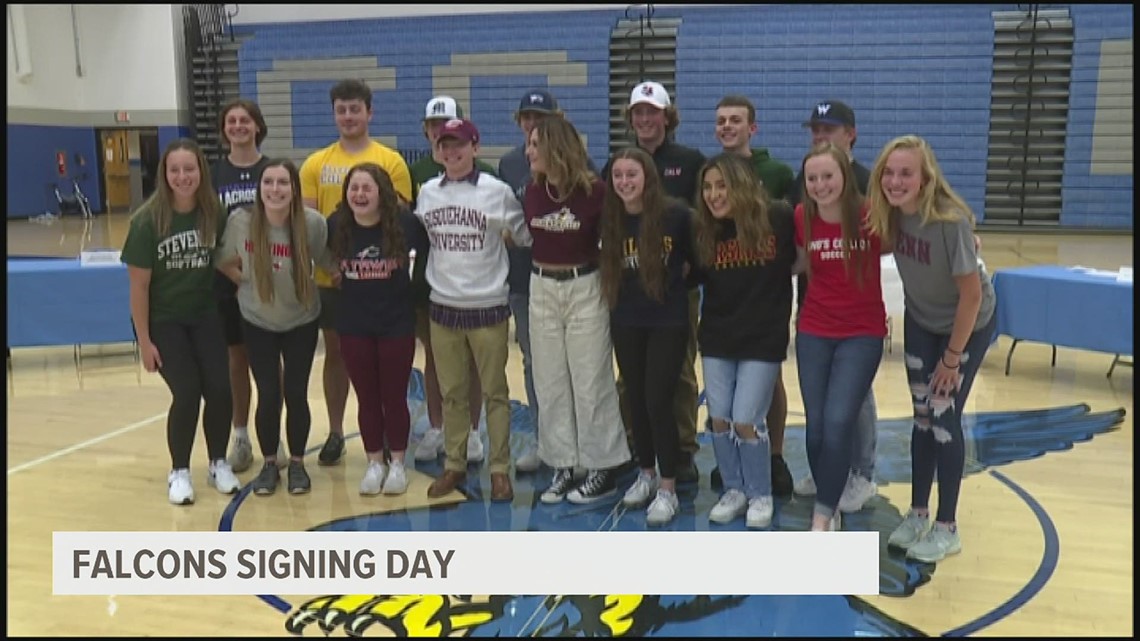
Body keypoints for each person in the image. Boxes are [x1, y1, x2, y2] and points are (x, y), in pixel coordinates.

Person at [868, 135, 998, 562]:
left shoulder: (949, 221)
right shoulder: (891, 216)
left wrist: (952, 359)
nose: (895, 180)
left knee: (944, 418)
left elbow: (972, 297)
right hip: (922, 320)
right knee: (922, 418)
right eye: (889, 172)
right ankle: (918, 512)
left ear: (926, 179)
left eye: (906, 172)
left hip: (965, 326)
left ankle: (948, 527)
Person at [413, 118, 532, 502]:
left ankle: (500, 469)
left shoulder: (497, 192)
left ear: (475, 148)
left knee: (495, 392)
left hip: (487, 304)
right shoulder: (428, 192)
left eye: (458, 145)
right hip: (443, 305)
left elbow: (524, 236)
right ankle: (455, 465)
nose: (451, 152)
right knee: (452, 394)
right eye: (444, 145)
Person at [299, 78, 413, 466]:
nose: (348, 116)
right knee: (338, 356)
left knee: (387, 367)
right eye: (341, 110)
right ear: (333, 114)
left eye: (354, 109)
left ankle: (394, 447)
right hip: (334, 281)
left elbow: (400, 223)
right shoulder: (316, 163)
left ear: (369, 112)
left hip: (380, 280)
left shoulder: (391, 161)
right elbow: (312, 225)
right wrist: (331, 269)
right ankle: (335, 431)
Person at [121, 138, 239, 505]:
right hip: (164, 321)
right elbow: (139, 288)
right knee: (187, 392)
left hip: (204, 315)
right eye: (175, 170)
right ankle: (180, 471)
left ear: (200, 172)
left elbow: (223, 257)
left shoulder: (212, 211)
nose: (183, 176)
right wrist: (144, 342)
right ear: (165, 174)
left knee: (220, 389)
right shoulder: (147, 221)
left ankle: (219, 461)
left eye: (190, 169)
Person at [524, 117, 630, 504]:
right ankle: (563, 464)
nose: (529, 151)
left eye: (536, 144)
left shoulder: (595, 192)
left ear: (557, 147)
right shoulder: (532, 192)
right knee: (549, 381)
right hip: (542, 287)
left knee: (590, 380)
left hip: (585, 285)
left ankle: (602, 467)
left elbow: (613, 242)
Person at [606, 81, 705, 483]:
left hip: (675, 292)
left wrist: (686, 267)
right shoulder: (617, 164)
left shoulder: (690, 160)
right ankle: (637, 442)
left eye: (652, 112)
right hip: (630, 293)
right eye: (638, 113)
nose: (645, 119)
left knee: (678, 371)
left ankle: (681, 447)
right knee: (631, 378)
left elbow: (701, 222)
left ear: (667, 116)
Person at [691, 153, 795, 528]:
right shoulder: (706, 231)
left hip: (762, 340)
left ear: (742, 185)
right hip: (718, 337)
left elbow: (812, 248)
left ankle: (760, 493)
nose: (714, 195)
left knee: (746, 420)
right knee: (719, 419)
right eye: (707, 187)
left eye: (722, 186)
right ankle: (734, 489)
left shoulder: (779, 218)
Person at [787, 100, 879, 512]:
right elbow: (800, 259)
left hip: (860, 329)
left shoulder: (870, 208)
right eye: (814, 178)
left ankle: (858, 476)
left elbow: (910, 231)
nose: (821, 183)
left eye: (828, 176)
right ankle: (829, 473)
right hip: (815, 326)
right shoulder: (802, 214)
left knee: (845, 413)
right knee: (820, 422)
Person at [215, 159, 326, 495]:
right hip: (257, 319)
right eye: (268, 183)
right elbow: (221, 259)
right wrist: (243, 281)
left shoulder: (312, 224)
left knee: (295, 391)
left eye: (282, 183)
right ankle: (267, 464)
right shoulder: (240, 221)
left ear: (294, 189)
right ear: (259, 189)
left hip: (301, 320)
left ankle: (296, 464)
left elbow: (325, 263)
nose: (275, 189)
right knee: (268, 393)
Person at [498, 89, 591, 472]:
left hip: (575, 279)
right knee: (537, 365)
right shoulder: (507, 164)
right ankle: (545, 439)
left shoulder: (580, 161)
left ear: (560, 117)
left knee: (577, 365)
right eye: (527, 118)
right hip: (526, 279)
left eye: (541, 116)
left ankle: (582, 444)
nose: (532, 124)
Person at [601, 147, 694, 526]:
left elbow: (694, 263)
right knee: (635, 398)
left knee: (659, 400)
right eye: (618, 175)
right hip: (626, 319)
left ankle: (668, 488)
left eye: (631, 174)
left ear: (648, 177)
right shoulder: (611, 219)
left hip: (667, 320)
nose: (624, 181)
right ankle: (646, 473)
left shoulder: (675, 216)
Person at [711, 94, 797, 496]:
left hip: (764, 305)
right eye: (721, 121)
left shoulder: (777, 173)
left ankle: (773, 456)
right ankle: (733, 470)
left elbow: (798, 231)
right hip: (726, 303)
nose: (727, 126)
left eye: (735, 120)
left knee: (767, 383)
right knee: (724, 402)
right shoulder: (710, 170)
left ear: (752, 127)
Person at [328, 163, 431, 496]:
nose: (359, 194)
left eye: (366, 188)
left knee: (394, 396)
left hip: (396, 324)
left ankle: (398, 462)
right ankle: (375, 462)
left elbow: (427, 259)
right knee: (367, 397)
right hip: (354, 325)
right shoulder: (335, 226)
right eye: (353, 188)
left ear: (382, 192)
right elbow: (317, 253)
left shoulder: (406, 225)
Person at [409, 95, 495, 465]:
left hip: (476, 281)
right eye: (433, 125)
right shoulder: (414, 174)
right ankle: (437, 425)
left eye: (446, 125)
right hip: (431, 279)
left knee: (473, 361)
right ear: (427, 131)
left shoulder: (488, 173)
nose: (439, 131)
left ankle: (473, 431)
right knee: (434, 358)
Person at [211, 98, 286, 473]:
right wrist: (225, 267)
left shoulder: (271, 171)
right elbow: (206, 229)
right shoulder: (212, 174)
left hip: (269, 281)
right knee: (236, 358)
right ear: (224, 129)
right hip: (228, 283)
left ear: (258, 126)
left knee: (271, 364)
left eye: (245, 120)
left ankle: (275, 434)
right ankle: (240, 435)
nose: (238, 126)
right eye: (231, 121)